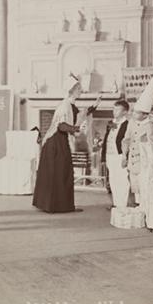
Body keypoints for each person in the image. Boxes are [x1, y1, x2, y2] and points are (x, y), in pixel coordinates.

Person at [33, 75, 100, 213]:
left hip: (60, 141)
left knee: (63, 172)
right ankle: (55, 206)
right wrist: (76, 128)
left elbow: (81, 115)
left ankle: (62, 205)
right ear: (71, 90)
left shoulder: (71, 105)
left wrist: (94, 106)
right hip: (55, 143)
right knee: (60, 173)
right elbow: (61, 125)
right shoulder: (64, 106)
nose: (81, 91)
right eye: (78, 89)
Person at [122, 72, 153, 207]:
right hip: (132, 160)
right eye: (133, 111)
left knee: (144, 185)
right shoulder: (131, 123)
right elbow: (126, 140)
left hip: (144, 161)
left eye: (136, 112)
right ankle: (138, 206)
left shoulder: (150, 126)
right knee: (135, 186)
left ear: (144, 115)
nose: (133, 114)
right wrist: (124, 155)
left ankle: (145, 207)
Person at [101, 99, 130, 209]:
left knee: (122, 179)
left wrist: (126, 156)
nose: (114, 112)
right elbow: (106, 139)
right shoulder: (111, 123)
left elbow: (128, 141)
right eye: (114, 109)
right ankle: (116, 203)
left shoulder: (127, 124)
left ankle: (122, 204)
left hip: (120, 155)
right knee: (113, 179)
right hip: (110, 155)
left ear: (124, 112)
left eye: (117, 110)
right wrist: (103, 157)